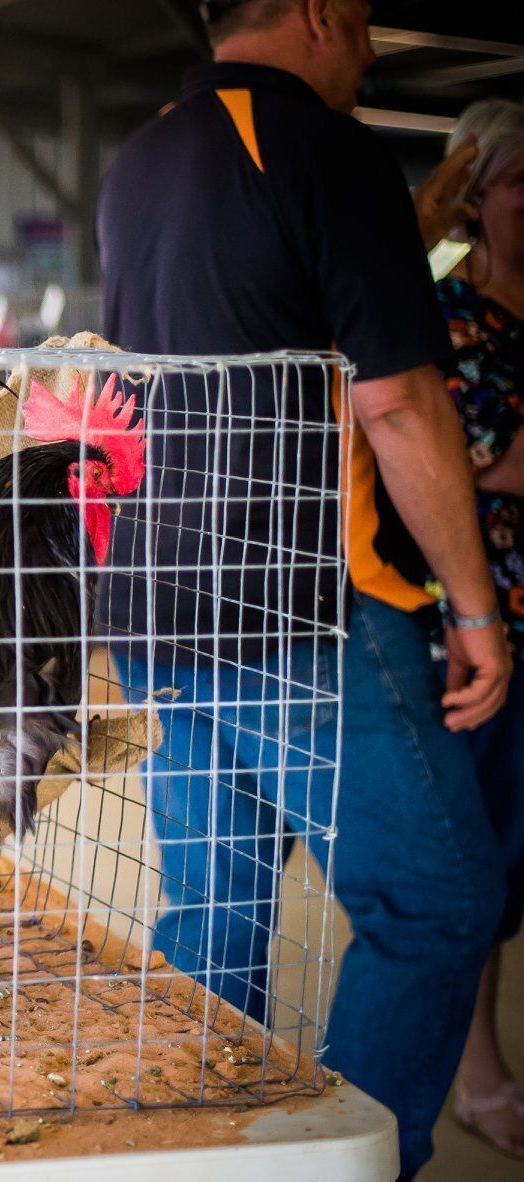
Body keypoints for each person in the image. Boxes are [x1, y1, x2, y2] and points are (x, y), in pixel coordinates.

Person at [95, 2, 510, 1177]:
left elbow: (254, 301)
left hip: (159, 597)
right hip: (301, 602)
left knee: (211, 926)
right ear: (321, 14)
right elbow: (396, 402)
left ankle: (195, 1157)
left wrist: (406, 227)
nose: (373, 48)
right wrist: (473, 609)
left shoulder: (141, 159)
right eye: (367, 25)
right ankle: (342, 1163)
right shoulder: (328, 153)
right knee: (434, 905)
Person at [432, 97, 524, 1161]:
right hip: (479, 618)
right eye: (517, 186)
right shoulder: (450, 313)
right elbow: (487, 461)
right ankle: (475, 1067)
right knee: (481, 855)